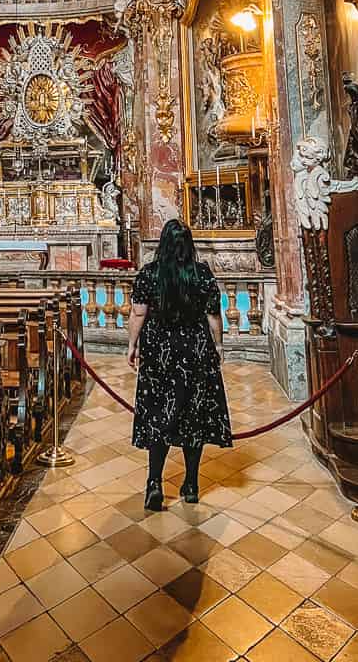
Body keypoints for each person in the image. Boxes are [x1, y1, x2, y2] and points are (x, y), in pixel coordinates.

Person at [127, 218, 232, 510]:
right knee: (193, 414)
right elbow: (213, 315)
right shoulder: (201, 273)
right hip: (195, 351)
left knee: (159, 415)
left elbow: (138, 314)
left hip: (160, 352)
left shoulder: (149, 274)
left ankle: (154, 483)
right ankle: (191, 484)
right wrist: (219, 345)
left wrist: (132, 345)